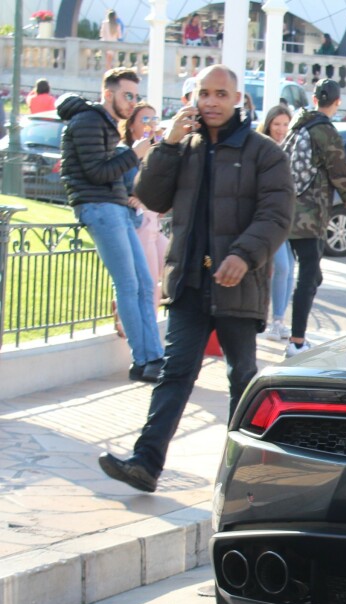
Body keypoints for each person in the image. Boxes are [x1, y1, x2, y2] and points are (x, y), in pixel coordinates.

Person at [97, 65, 294, 495]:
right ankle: (146, 463)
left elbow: (277, 215)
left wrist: (244, 255)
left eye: (220, 94)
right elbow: (151, 197)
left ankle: (243, 474)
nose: (210, 102)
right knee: (174, 374)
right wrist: (166, 146)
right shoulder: (183, 146)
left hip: (238, 285)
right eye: (203, 93)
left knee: (242, 378)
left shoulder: (264, 153)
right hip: (188, 281)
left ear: (237, 99)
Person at [57, 67, 164, 382]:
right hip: (98, 208)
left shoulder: (104, 123)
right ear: (108, 93)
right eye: (126, 95)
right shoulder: (89, 121)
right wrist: (133, 154)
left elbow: (108, 172)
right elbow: (97, 173)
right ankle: (146, 359)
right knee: (130, 285)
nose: (132, 102)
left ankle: (153, 356)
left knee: (145, 284)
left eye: (134, 96)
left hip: (114, 207)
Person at [284, 79, 346, 356]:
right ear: (337, 102)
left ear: (314, 98)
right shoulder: (325, 131)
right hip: (309, 217)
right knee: (307, 279)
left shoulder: (297, 125)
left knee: (312, 275)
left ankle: (292, 333)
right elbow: (341, 175)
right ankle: (297, 342)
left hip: (285, 211)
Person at [118, 102, 168, 309]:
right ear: (131, 126)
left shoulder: (156, 151)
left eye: (153, 119)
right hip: (140, 221)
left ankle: (134, 313)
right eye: (145, 120)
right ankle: (143, 323)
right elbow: (119, 184)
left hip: (154, 220)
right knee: (149, 282)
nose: (150, 125)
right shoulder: (126, 152)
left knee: (169, 265)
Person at [259, 104, 295, 340]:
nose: (281, 129)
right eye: (277, 124)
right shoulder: (262, 148)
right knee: (281, 267)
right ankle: (273, 322)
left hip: (288, 217)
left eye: (285, 124)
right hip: (268, 218)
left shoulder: (290, 148)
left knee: (289, 268)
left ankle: (279, 320)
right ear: (269, 124)